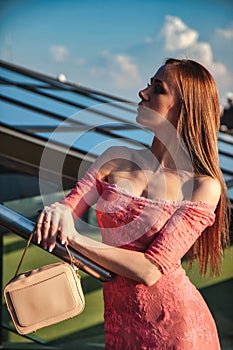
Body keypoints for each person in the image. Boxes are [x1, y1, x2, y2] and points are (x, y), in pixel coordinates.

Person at [36, 58, 230, 349]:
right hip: (120, 325)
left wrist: (73, 239)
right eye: (148, 85)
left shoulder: (203, 186)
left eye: (158, 89)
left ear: (184, 108)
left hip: (180, 332)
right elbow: (71, 204)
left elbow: (151, 269)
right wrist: (58, 211)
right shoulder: (115, 157)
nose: (142, 93)